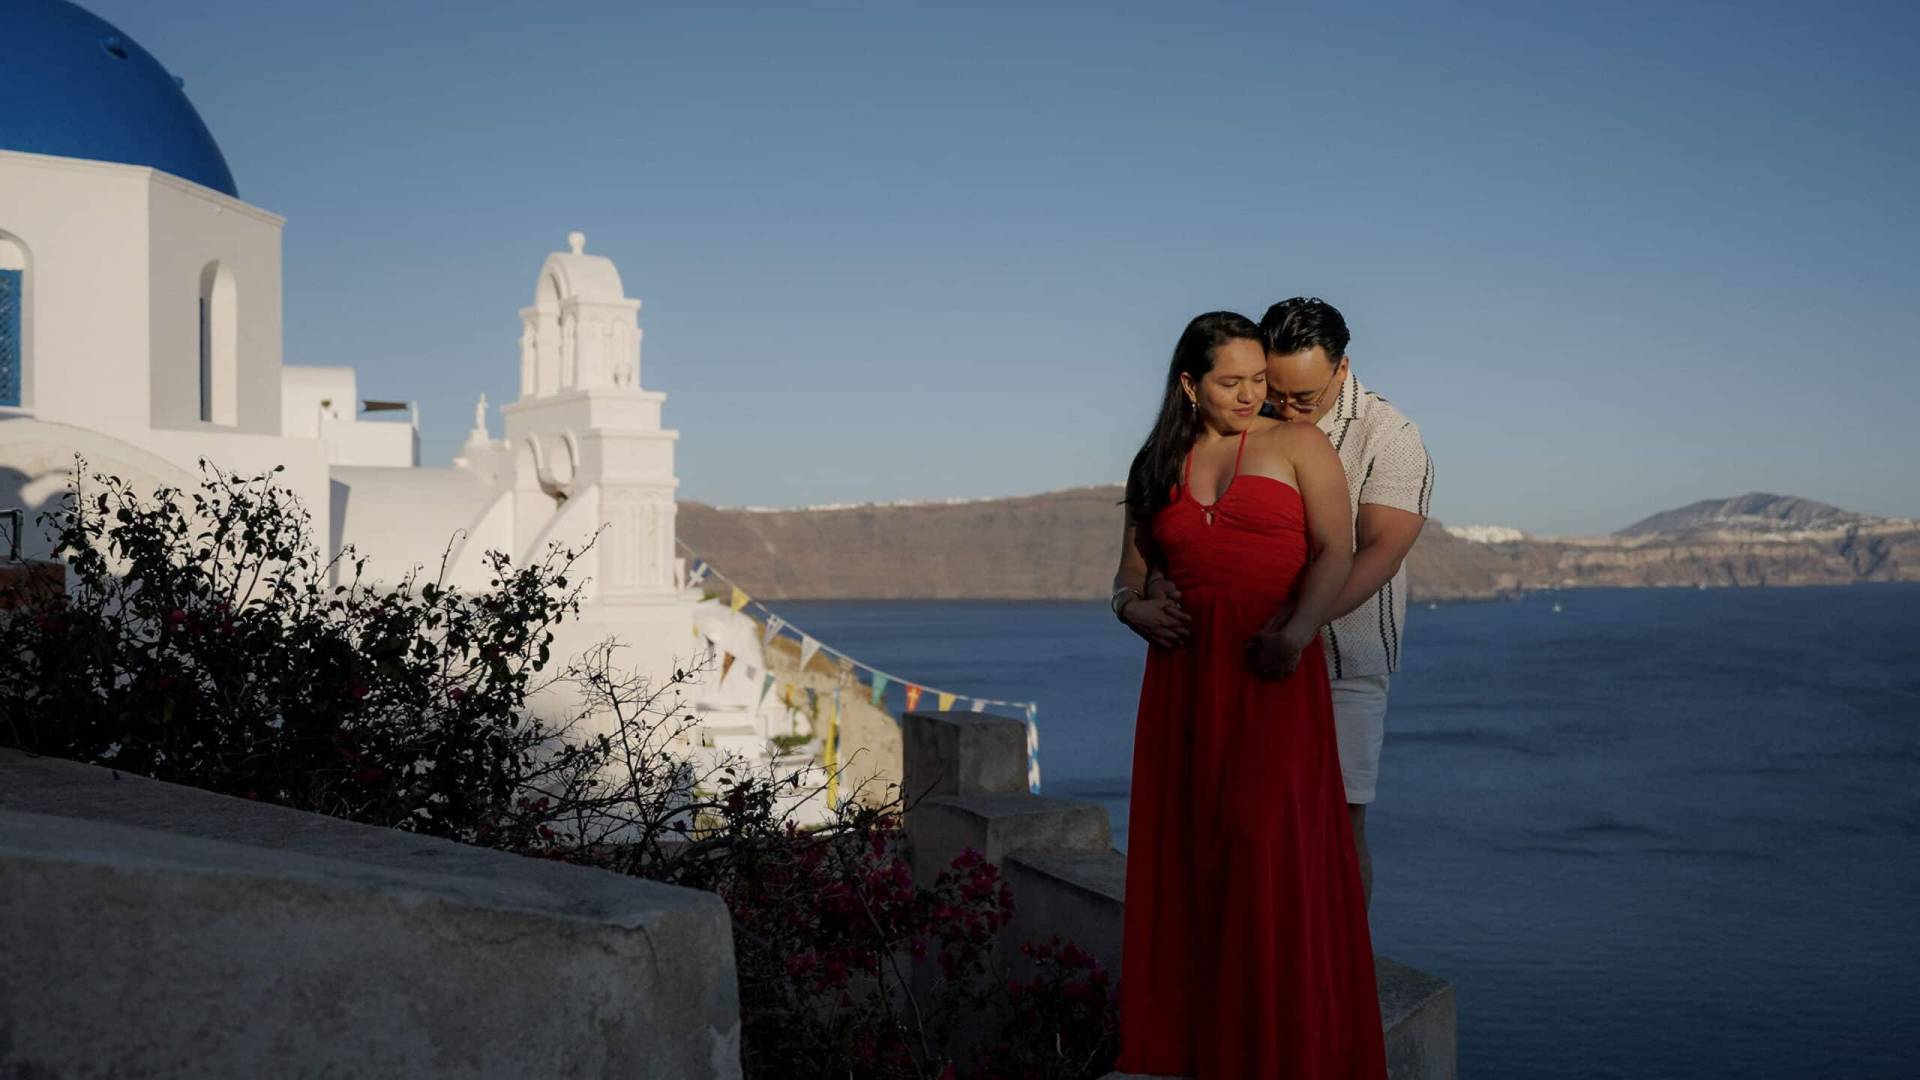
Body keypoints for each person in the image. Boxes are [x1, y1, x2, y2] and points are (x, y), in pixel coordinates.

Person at [1110, 311, 1386, 1078]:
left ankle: (1284, 1050)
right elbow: (1128, 575)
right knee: (1192, 861)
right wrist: (1132, 609)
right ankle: (1205, 1050)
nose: (1250, 394)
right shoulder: (1156, 462)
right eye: (1232, 382)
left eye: (1259, 380)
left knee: (1265, 851)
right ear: (1189, 384)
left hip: (1272, 677)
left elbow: (1339, 550)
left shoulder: (1299, 445)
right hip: (1182, 687)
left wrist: (1297, 633)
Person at [1138, 296, 1432, 909]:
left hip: (1344, 655)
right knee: (1243, 822)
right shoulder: (1248, 419)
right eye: (1277, 389)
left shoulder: (1393, 436)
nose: (1285, 406)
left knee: (1340, 822)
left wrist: (1298, 625)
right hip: (1248, 657)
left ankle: (1344, 977)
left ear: (1342, 370)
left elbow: (1379, 553)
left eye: (1305, 396)